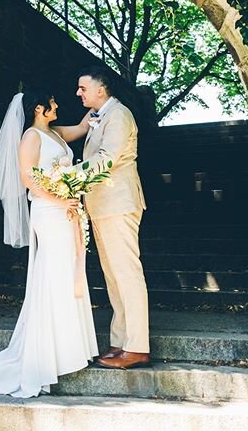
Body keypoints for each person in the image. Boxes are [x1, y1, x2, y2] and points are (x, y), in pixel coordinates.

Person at [0, 89, 98, 397]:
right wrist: (61, 199)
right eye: (53, 102)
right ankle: (46, 356)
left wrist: (102, 104)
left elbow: (82, 127)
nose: (58, 104)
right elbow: (27, 178)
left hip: (65, 209)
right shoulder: (31, 138)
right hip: (49, 211)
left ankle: (69, 349)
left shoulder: (55, 132)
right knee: (53, 274)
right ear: (39, 108)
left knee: (67, 273)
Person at [76, 66, 150, 369]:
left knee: (127, 274)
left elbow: (107, 158)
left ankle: (137, 347)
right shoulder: (101, 117)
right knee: (113, 277)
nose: (78, 93)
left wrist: (68, 177)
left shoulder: (119, 115)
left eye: (83, 88)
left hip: (118, 203)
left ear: (101, 90)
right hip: (103, 205)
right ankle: (121, 342)